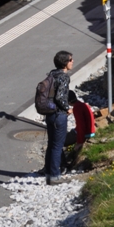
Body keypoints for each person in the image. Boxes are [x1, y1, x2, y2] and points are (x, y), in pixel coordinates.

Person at [43, 50, 73, 185]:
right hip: (59, 115)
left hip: (49, 113)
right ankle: (54, 176)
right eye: (71, 60)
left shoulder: (51, 74)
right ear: (65, 63)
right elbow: (60, 97)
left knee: (51, 143)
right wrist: (68, 108)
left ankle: (48, 172)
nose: (72, 62)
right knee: (57, 145)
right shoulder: (64, 77)